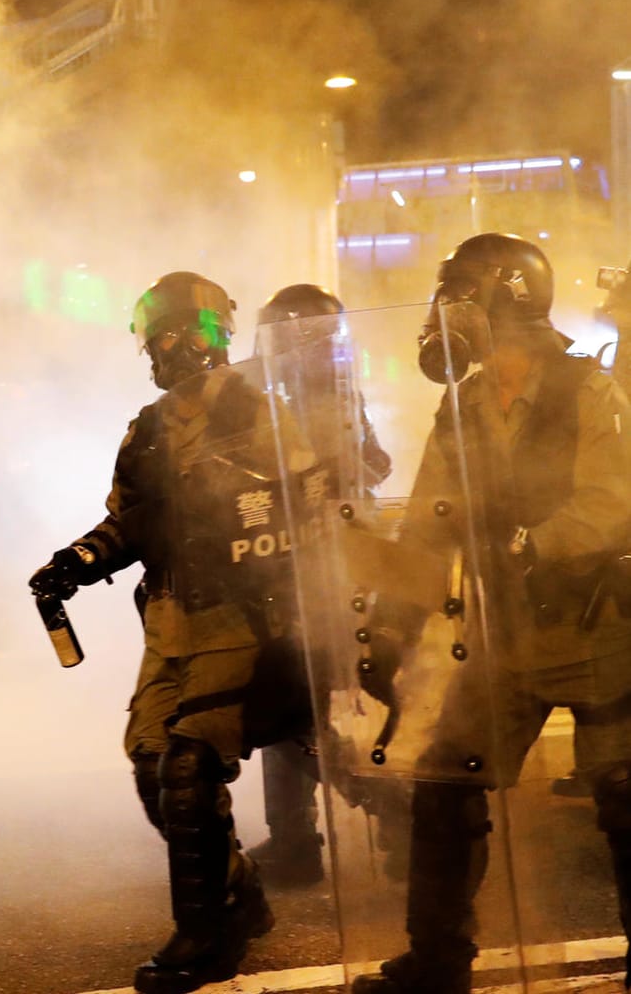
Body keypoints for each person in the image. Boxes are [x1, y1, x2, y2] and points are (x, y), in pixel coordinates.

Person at [349, 233, 631, 994]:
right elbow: (428, 525)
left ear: (507, 298)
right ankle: (437, 961)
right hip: (502, 637)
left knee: (625, 791)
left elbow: (613, 503)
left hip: (593, 630)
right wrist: (389, 628)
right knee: (444, 784)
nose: (444, 315)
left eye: (459, 298)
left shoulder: (587, 390)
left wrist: (535, 544)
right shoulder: (463, 403)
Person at [30, 271, 316, 994]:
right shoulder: (148, 429)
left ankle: (208, 937)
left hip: (242, 616)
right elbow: (130, 521)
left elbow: (311, 502)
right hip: (170, 619)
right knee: (153, 766)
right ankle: (240, 894)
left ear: (220, 334)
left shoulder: (264, 414)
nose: (176, 346)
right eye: (162, 334)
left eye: (193, 330)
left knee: (189, 770)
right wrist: (77, 561)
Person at [247, 284, 393, 887]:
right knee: (289, 701)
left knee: (296, 711)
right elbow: (377, 462)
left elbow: (364, 466)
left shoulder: (308, 402)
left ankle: (393, 811)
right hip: (313, 564)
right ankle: (298, 840)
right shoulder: (314, 394)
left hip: (315, 570)